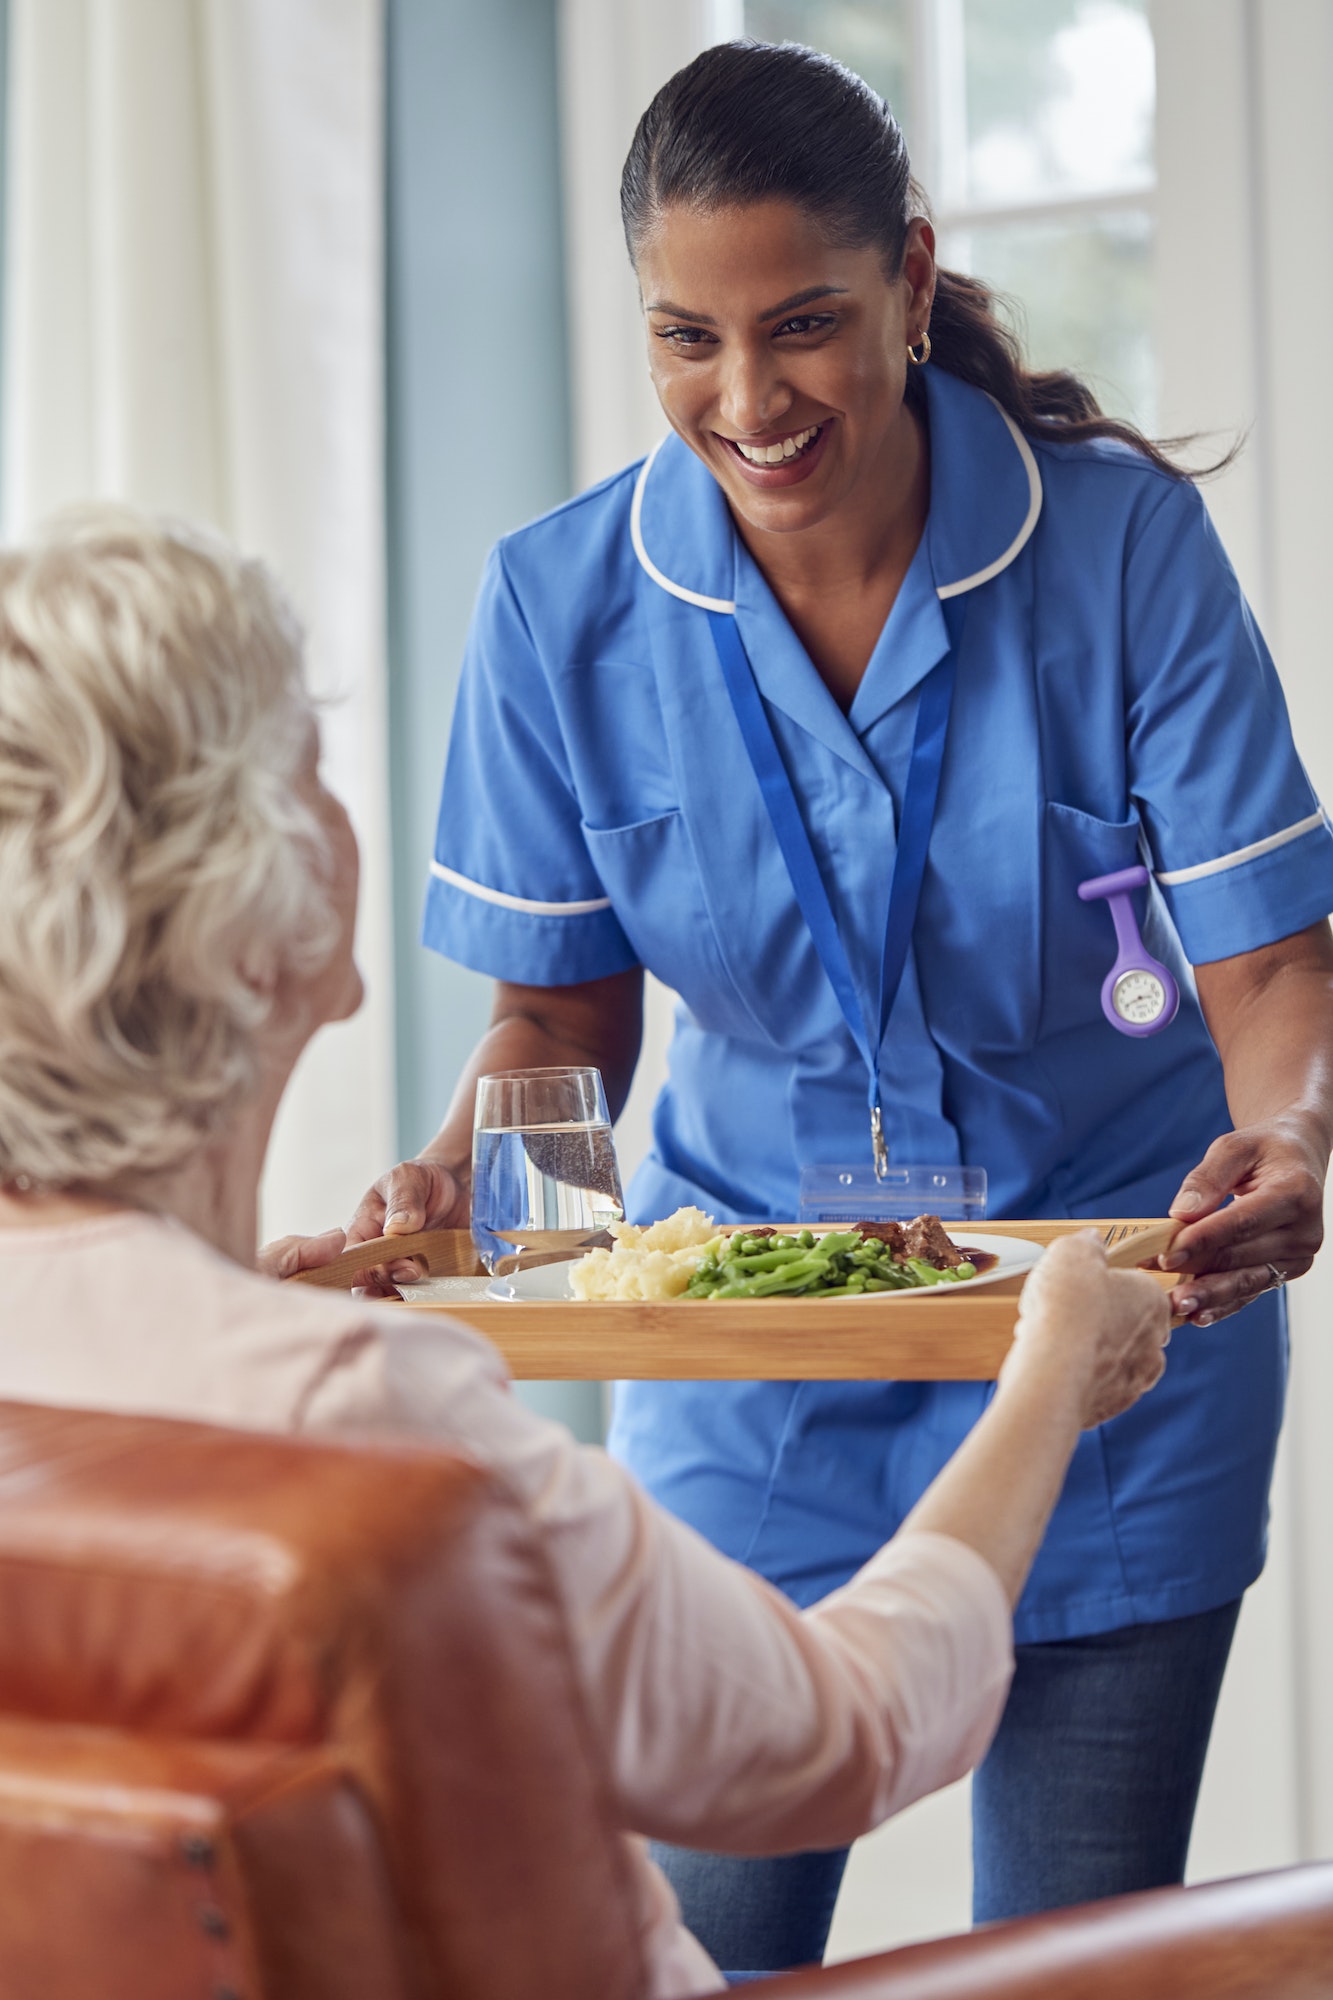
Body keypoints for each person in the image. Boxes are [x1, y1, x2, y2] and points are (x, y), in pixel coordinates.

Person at [326, 38, 1333, 1978]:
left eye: (801, 327)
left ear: (912, 278)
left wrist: (1286, 1140)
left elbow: (1272, 963)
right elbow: (557, 1026)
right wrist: (477, 1194)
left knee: (1073, 1962)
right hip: (747, 1364)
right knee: (697, 1951)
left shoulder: (1120, 551)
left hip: (1110, 1331)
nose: (745, 398)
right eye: (683, 338)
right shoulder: (558, 604)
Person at [0, 507, 1171, 1999]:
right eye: (309, 773)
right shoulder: (379, 1428)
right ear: (253, 932)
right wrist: (1052, 1362)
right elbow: (848, 1732)